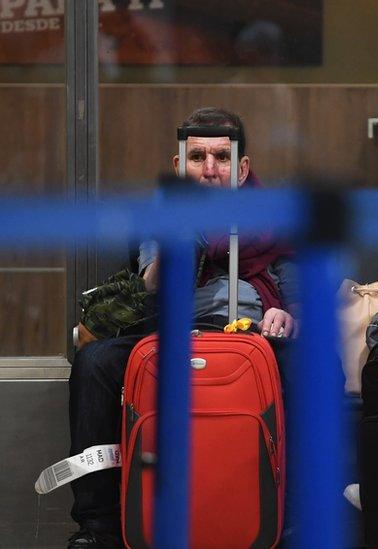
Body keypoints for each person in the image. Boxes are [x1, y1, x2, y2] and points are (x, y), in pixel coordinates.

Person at [67, 107, 299, 549]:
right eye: (197, 158)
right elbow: (149, 284)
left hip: (249, 329)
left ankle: (291, 524)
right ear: (179, 164)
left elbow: (295, 287)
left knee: (311, 363)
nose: (210, 170)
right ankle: (98, 529)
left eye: (222, 157)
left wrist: (289, 315)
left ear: (243, 167)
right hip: (168, 327)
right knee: (95, 362)